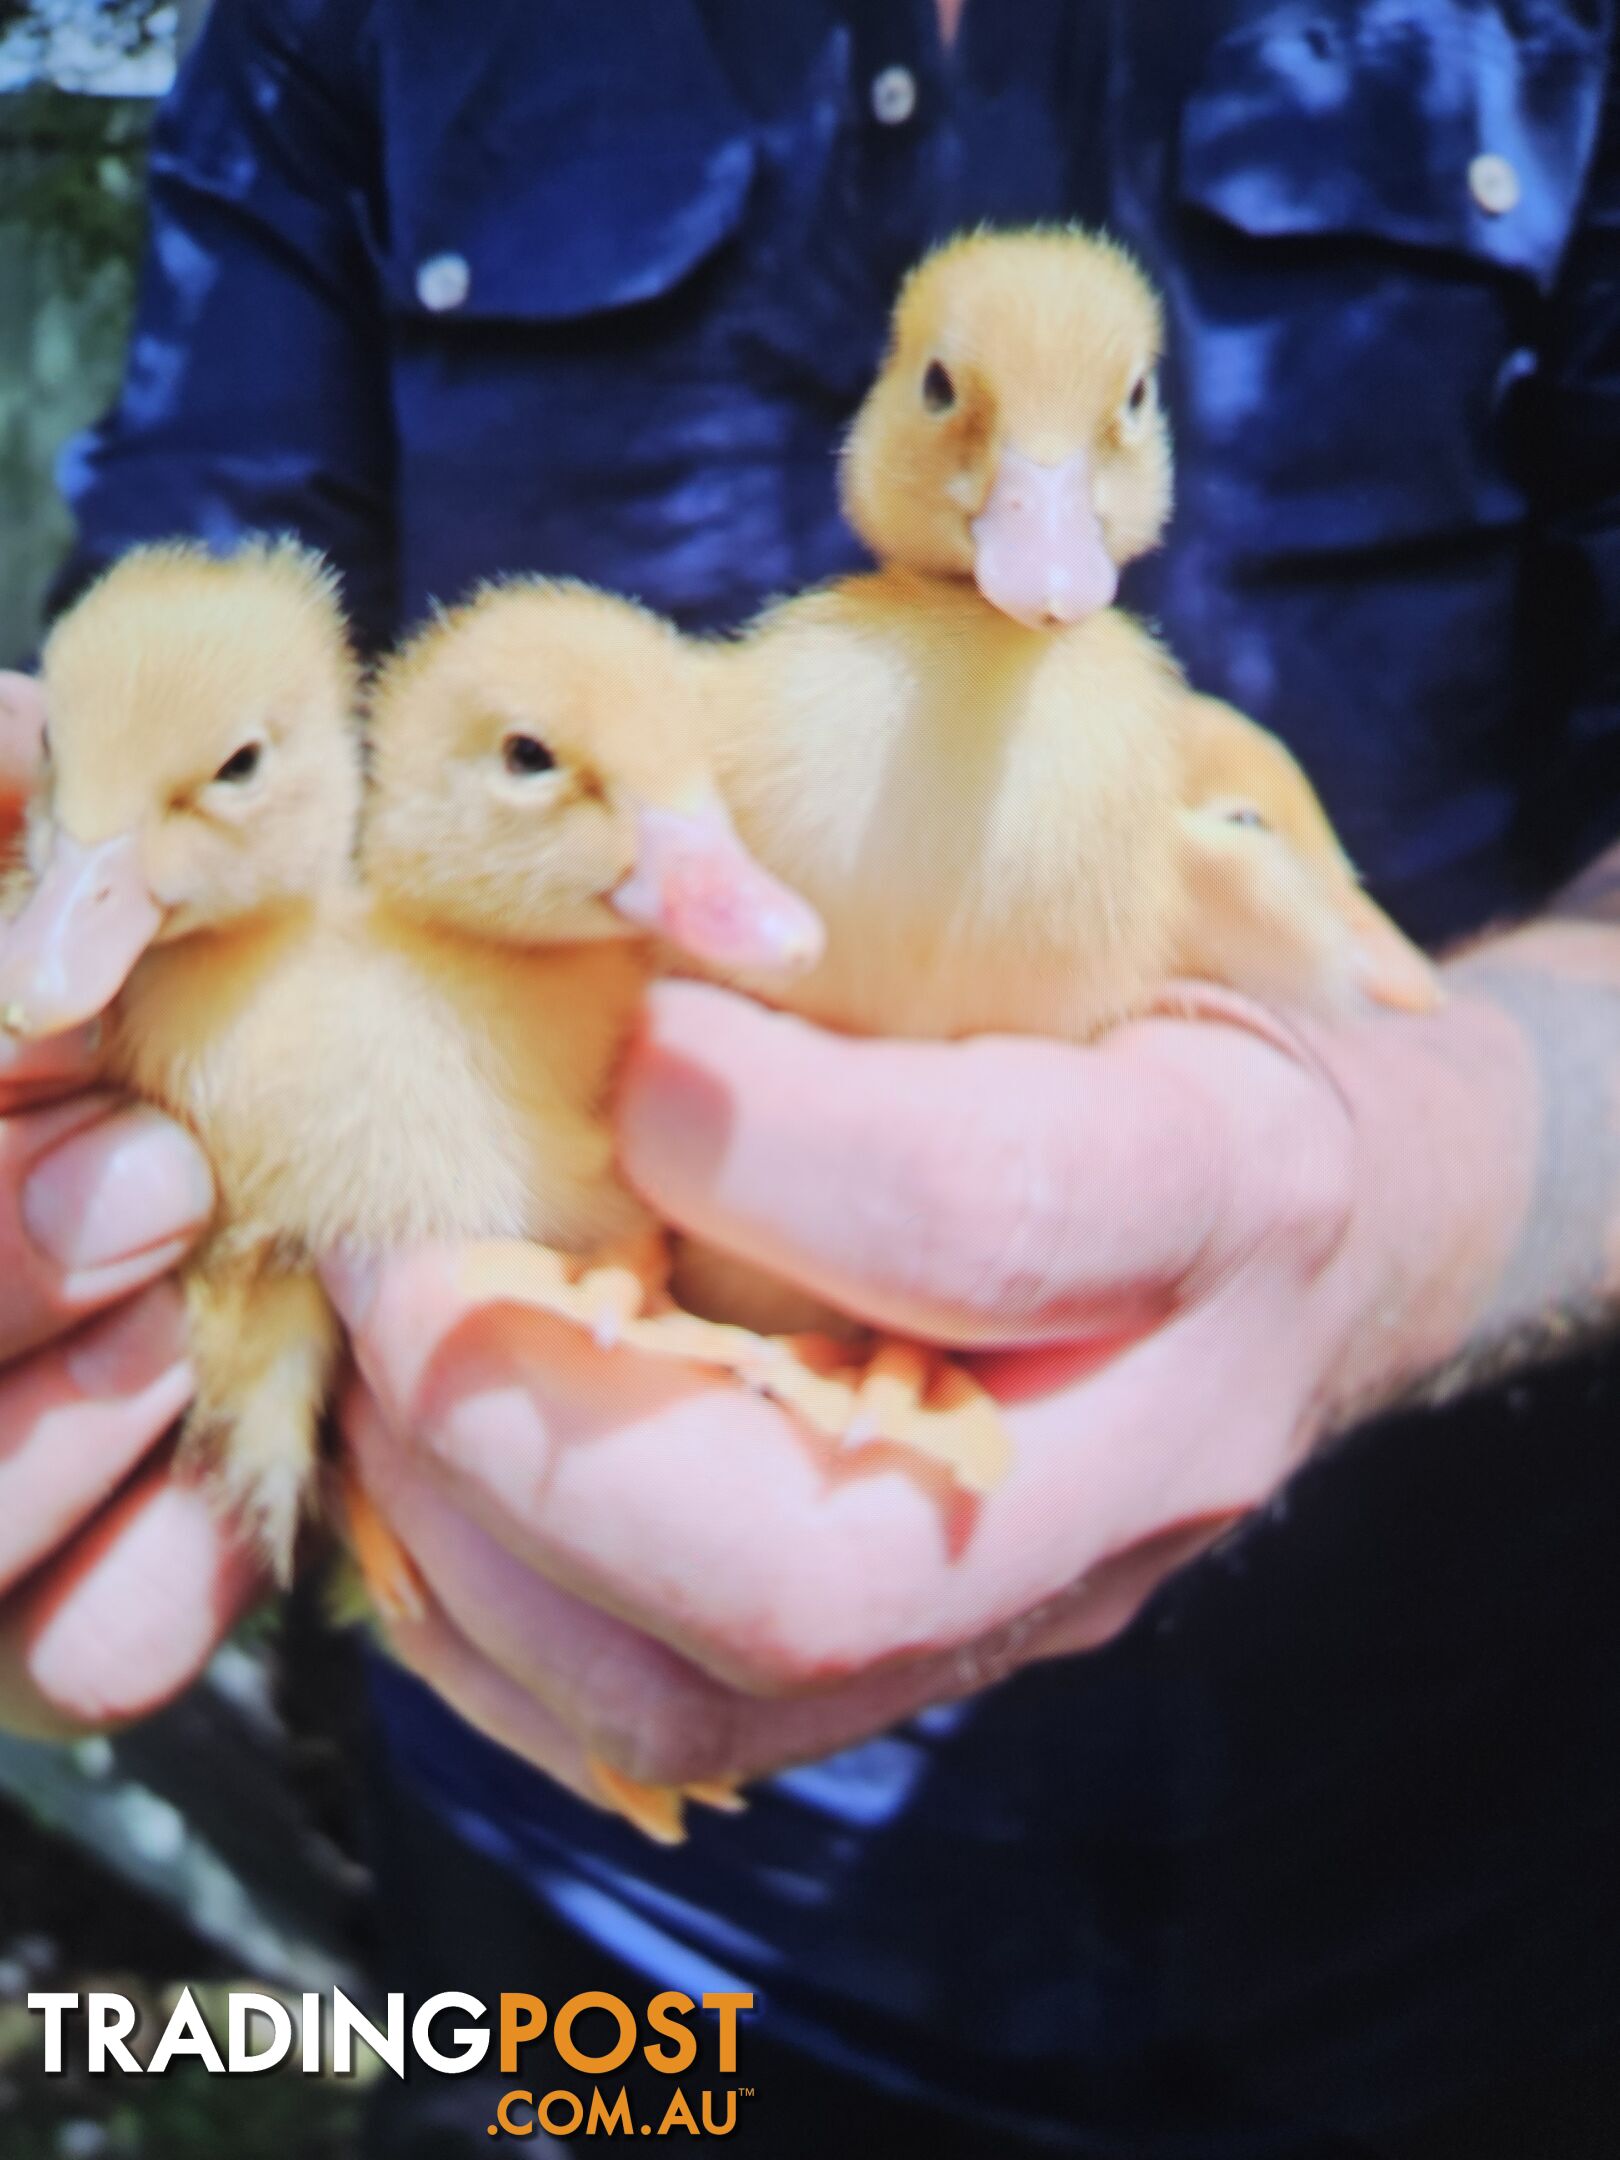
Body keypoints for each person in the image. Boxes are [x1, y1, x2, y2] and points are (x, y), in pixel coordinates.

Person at [4, 0, 1620, 2151]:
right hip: (595, 1954)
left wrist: (1428, 1173)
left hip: (1442, 1901)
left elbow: (1327, 951)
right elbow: (200, 676)